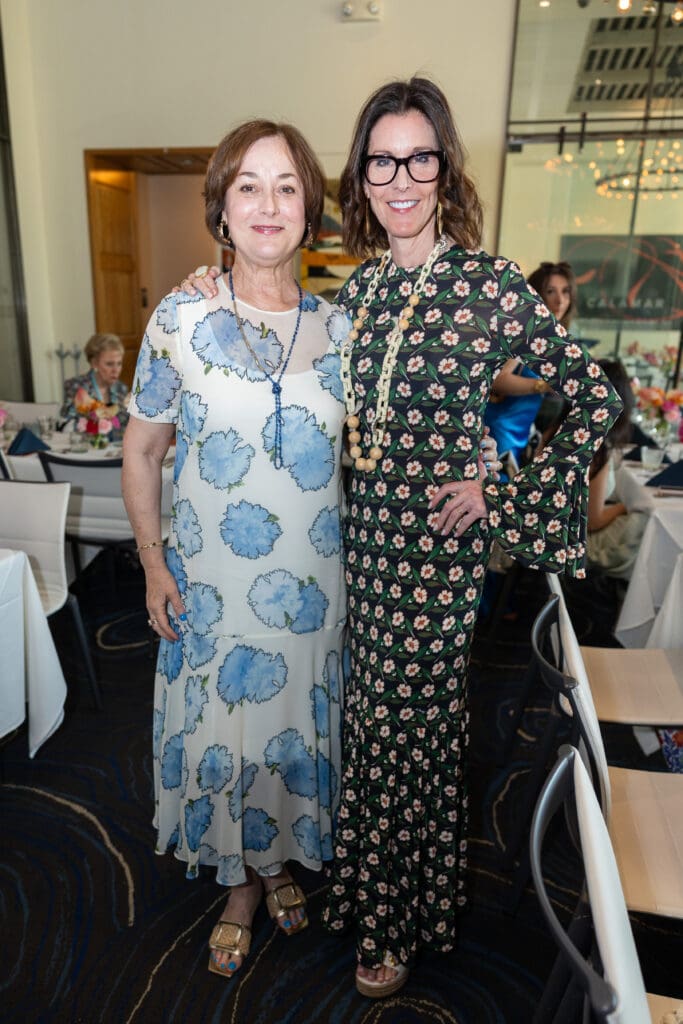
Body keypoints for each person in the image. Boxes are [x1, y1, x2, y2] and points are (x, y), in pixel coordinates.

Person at [179, 77, 620, 1000]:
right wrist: (212, 278)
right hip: (360, 553)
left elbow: (578, 395)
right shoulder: (362, 293)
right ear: (362, 175)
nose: (400, 178)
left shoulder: (490, 284)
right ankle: (397, 898)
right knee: (374, 740)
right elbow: (283, 338)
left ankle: (395, 921)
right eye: (382, 160)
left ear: (443, 167)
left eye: (419, 157)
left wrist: (496, 480)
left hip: (434, 560)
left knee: (406, 737)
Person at [122, 120, 352, 980]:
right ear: (220, 204)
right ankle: (244, 885)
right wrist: (150, 560)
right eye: (248, 185)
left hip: (312, 591)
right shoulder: (180, 318)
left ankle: (277, 858)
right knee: (230, 730)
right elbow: (142, 450)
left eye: (286, 186)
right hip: (212, 588)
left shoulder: (343, 329)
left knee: (290, 729)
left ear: (309, 209)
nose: (268, 203)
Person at [545, 359, 646, 580]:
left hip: (547, 530)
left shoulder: (555, 429)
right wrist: (623, 506)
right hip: (570, 544)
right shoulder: (597, 447)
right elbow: (593, 521)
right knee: (645, 523)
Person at [484, 261, 578, 468]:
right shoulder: (525, 332)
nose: (560, 300)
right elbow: (498, 379)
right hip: (501, 432)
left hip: (522, 434)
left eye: (565, 292)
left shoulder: (552, 339)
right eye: (550, 291)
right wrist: (544, 385)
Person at [61, 332, 129, 435]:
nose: (116, 370)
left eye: (119, 363)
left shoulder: (121, 388)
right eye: (109, 364)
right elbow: (67, 424)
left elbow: (126, 426)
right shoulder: (76, 386)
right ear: (94, 363)